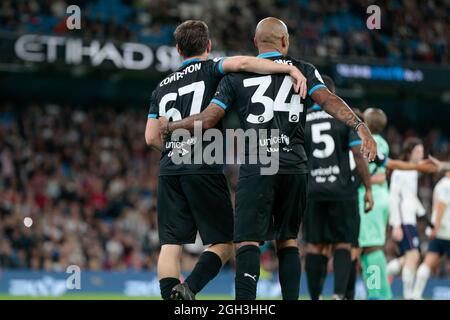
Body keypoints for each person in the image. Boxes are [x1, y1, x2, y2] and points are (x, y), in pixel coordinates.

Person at [159, 17, 377, 300]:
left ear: (255, 44)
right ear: (285, 42)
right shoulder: (304, 70)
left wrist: (172, 126)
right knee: (287, 240)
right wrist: (361, 126)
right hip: (294, 166)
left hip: (259, 162)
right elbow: (328, 101)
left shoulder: (235, 77)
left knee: (247, 240)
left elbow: (209, 118)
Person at [144, 20, 307, 300]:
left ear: (177, 50)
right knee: (224, 242)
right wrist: (287, 67)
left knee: (171, 244)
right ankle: (189, 288)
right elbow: (245, 63)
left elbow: (150, 137)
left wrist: (172, 152)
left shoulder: (161, 87)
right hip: (203, 164)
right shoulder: (212, 68)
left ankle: (173, 301)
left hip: (169, 168)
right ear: (208, 46)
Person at [303, 76, 373, 300]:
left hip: (312, 190)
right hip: (342, 190)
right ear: (331, 94)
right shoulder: (343, 115)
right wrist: (368, 188)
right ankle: (337, 295)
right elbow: (357, 155)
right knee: (343, 243)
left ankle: (315, 297)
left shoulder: (301, 118)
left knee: (315, 245)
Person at [387, 138, 428, 299]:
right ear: (410, 152)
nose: (422, 154)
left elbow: (411, 197)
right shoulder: (399, 170)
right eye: (419, 151)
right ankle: (409, 295)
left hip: (410, 219)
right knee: (413, 256)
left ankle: (387, 271)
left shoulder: (412, 171)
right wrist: (396, 224)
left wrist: (425, 216)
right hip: (403, 220)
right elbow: (394, 197)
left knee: (410, 257)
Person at [412, 168, 450, 299]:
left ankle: (416, 294)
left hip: (439, 232)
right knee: (428, 262)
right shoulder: (447, 185)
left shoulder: (440, 184)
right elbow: (441, 206)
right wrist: (437, 226)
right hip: (446, 231)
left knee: (428, 262)